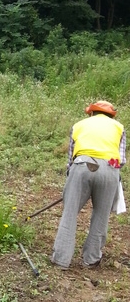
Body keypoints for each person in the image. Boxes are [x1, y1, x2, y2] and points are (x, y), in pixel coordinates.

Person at [51, 100, 125, 269]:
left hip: (82, 166)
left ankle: (61, 260)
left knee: (70, 213)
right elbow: (122, 161)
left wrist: (72, 182)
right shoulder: (119, 128)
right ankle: (91, 260)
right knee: (101, 216)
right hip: (109, 170)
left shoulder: (78, 125)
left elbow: (71, 160)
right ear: (111, 115)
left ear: (91, 113)